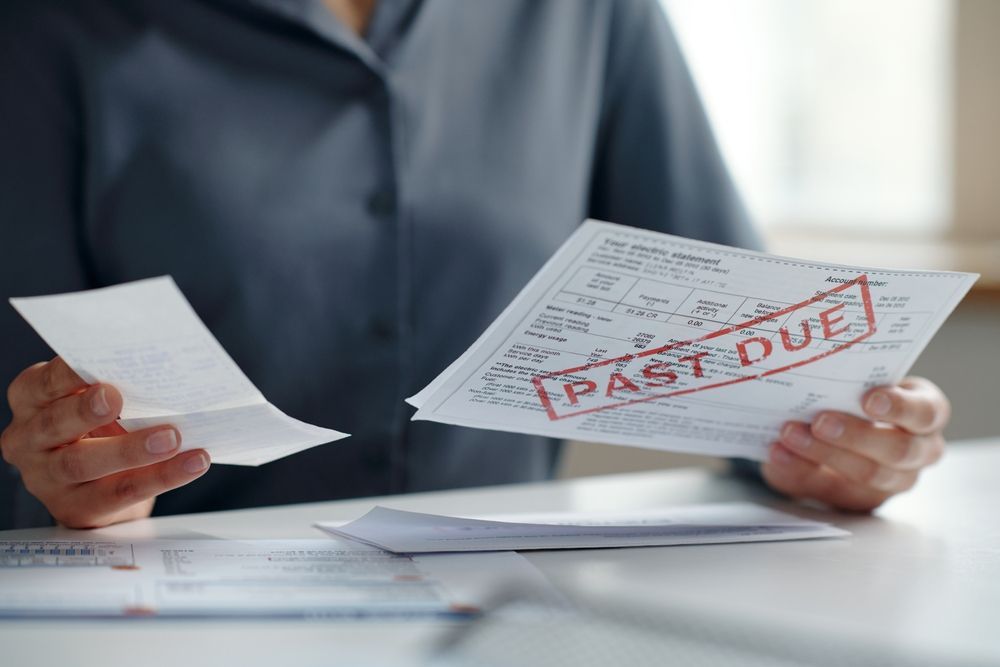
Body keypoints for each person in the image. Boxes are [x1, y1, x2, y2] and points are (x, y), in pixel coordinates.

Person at [0, 0, 949, 530]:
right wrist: (65, 488)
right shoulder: (47, 30)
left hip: (509, 606)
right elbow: (18, 413)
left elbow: (754, 368)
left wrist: (838, 445)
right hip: (161, 616)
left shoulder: (593, 15)